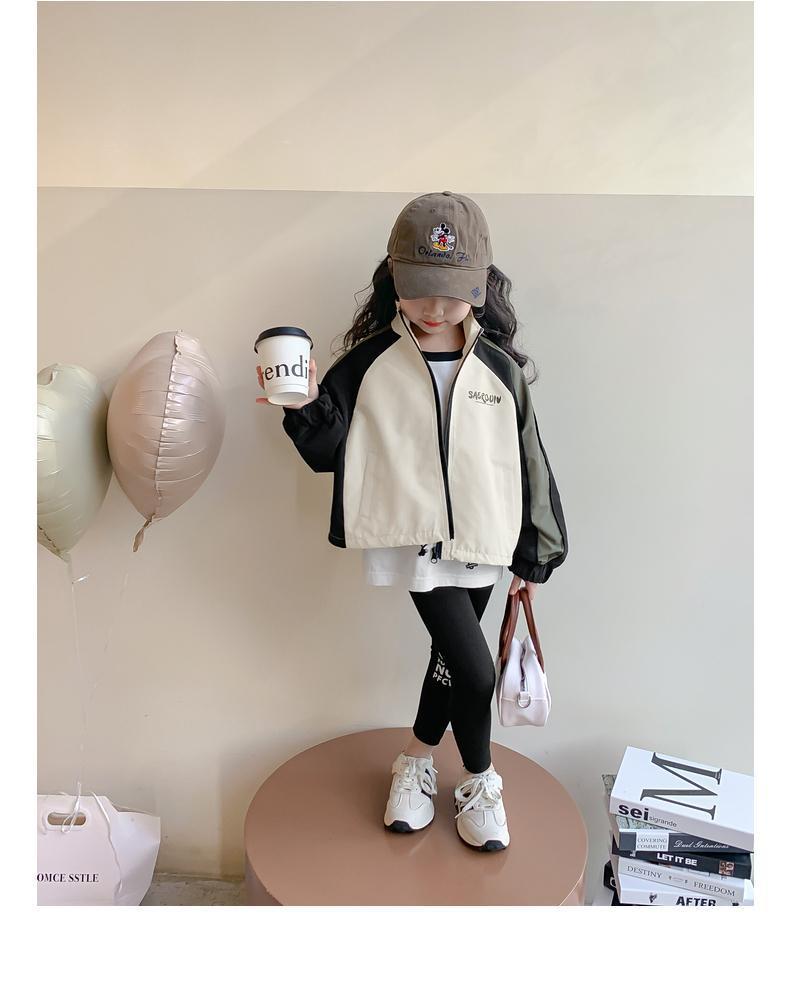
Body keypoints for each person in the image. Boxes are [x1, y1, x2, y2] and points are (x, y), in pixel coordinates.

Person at [256, 191, 568, 852]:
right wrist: (301, 404)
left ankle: (416, 761)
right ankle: (481, 780)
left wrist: (535, 555)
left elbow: (530, 462)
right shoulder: (368, 362)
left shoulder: (500, 370)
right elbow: (326, 453)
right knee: (475, 673)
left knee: (448, 663)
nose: (433, 308)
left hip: (486, 535)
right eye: (420, 289)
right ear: (394, 279)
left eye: (451, 294)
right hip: (411, 537)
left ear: (480, 287)